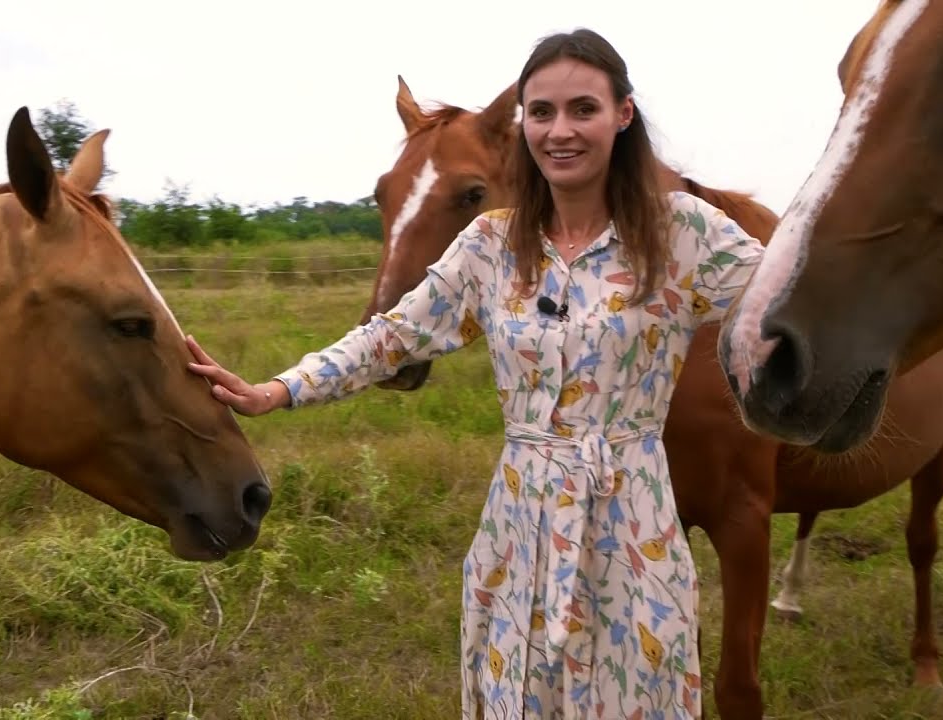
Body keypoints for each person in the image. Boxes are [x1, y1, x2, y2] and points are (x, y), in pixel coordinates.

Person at [186, 27, 764, 720]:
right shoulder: (490, 246)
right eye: (542, 112)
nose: (560, 131)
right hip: (518, 527)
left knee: (636, 694)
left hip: (632, 523)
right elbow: (391, 337)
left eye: (583, 108)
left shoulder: (683, 233)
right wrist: (278, 389)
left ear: (623, 115)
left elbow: (791, 296)